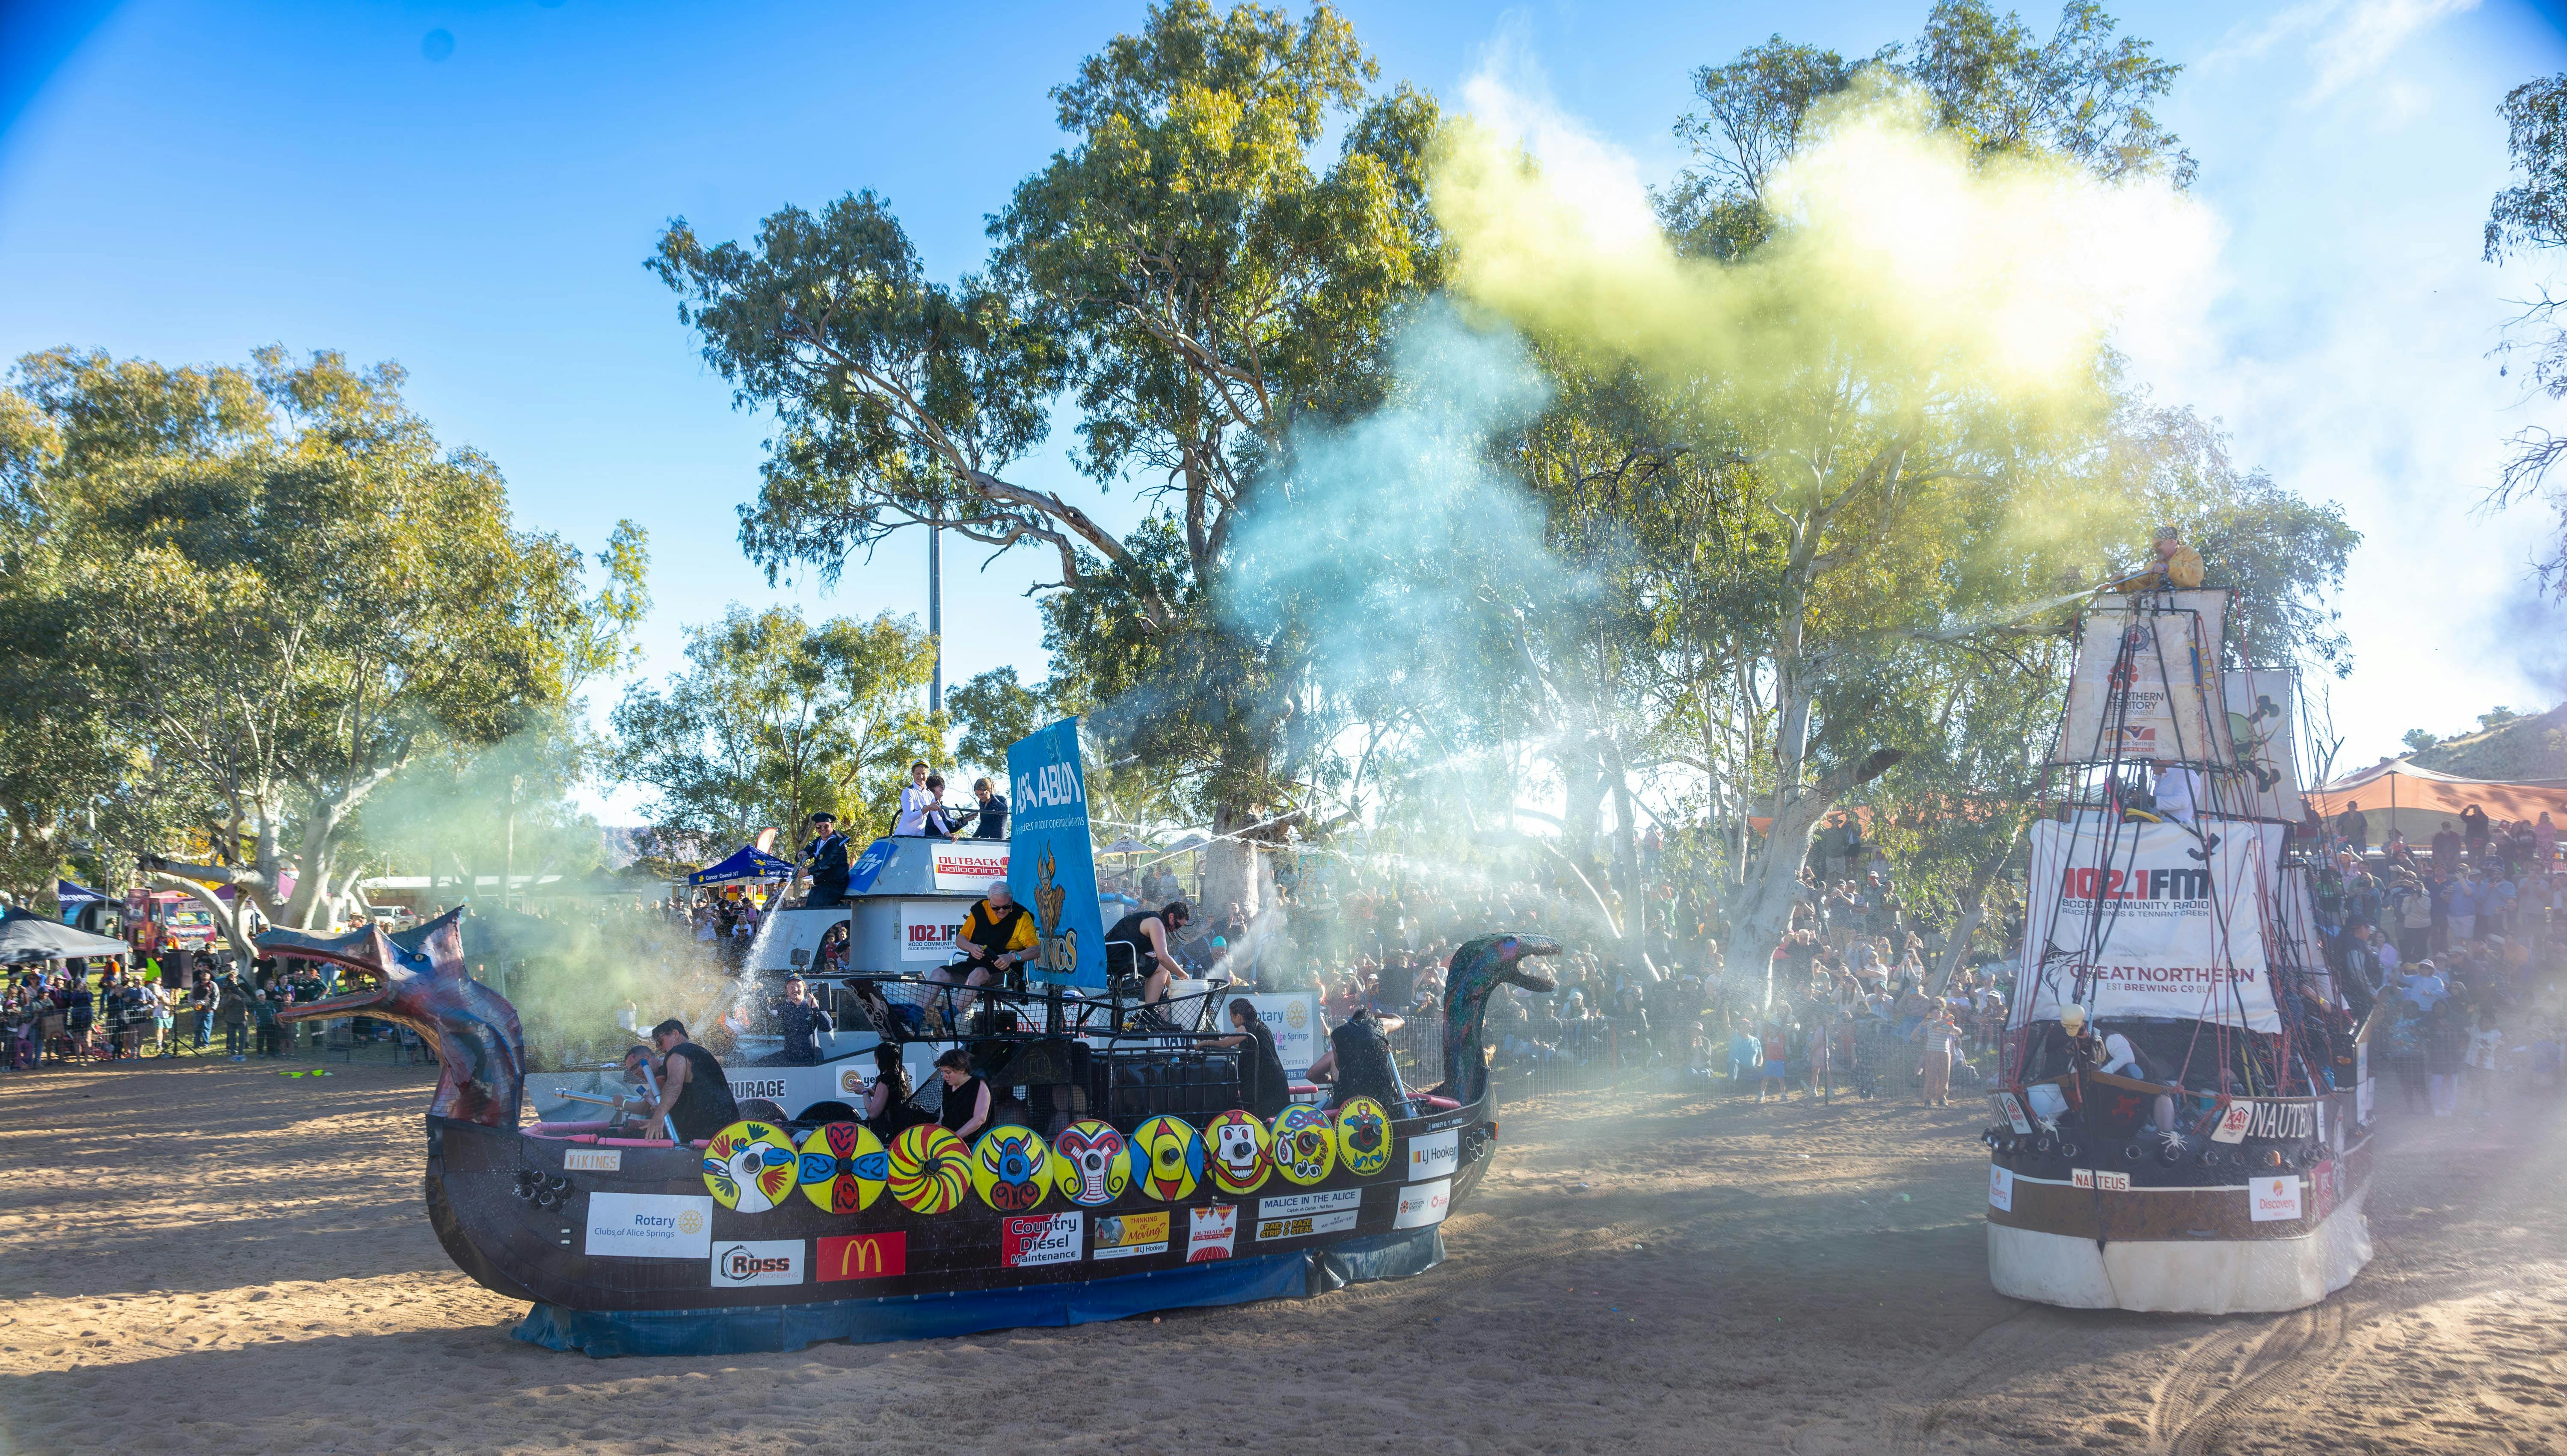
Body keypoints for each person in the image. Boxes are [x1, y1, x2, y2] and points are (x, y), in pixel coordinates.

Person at [639, 1018, 740, 1143]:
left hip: (706, 1134)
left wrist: (658, 1117)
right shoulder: (702, 1052)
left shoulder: (677, 1054)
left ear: (675, 1034)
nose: (658, 1048)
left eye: (660, 1042)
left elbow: (673, 1085)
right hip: (728, 1128)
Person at [1307, 1004, 1405, 1110]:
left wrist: (1331, 1079)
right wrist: (1379, 1014)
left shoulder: (1338, 1035)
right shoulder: (1380, 1025)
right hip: (1381, 1104)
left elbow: (1315, 1073)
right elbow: (1400, 1020)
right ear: (1372, 1021)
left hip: (1347, 1106)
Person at [949, 879, 1037, 995]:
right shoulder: (981, 908)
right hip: (974, 964)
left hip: (1005, 971)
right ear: (989, 901)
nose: (1001, 911)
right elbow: (960, 939)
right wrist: (971, 947)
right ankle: (921, 1012)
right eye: (996, 908)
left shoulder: (1022, 917)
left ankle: (949, 1013)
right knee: (939, 974)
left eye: (1006, 907)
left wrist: (1011, 958)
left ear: (1012, 900)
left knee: (978, 974)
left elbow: (1036, 950)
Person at [1105, 899, 1191, 1012]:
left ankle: (1151, 1011)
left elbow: (1163, 959)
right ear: (1171, 917)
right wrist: (1184, 977)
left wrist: (1173, 988)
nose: (1176, 930)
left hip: (1115, 954)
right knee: (1162, 969)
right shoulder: (1156, 923)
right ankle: (1149, 1014)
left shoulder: (1154, 919)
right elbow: (1163, 958)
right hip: (1116, 957)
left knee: (1162, 968)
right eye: (1178, 926)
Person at [1214, 997, 1292, 1119]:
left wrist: (1206, 1042)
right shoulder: (1259, 1024)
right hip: (1276, 1080)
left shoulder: (1245, 1028)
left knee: (1262, 1120)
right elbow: (1238, 1044)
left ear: (1238, 1016)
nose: (1230, 1019)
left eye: (1231, 1016)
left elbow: (1225, 1044)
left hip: (1266, 1084)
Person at [758, 976, 833, 1065]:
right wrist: (760, 995)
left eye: (799, 986)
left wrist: (816, 1008)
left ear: (805, 989)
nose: (795, 989)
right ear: (787, 991)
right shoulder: (784, 1007)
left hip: (812, 1058)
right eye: (791, 986)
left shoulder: (813, 1004)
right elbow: (769, 1014)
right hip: (791, 1057)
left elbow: (828, 1027)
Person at [2107, 524, 2206, 593]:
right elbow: (2140, 584)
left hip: (2189, 608)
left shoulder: (2189, 553)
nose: (2156, 549)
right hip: (2162, 612)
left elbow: (2195, 576)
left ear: (2172, 542)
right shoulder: (2154, 565)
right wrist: (2124, 581)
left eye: (2158, 544)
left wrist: (2168, 569)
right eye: (2154, 546)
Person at [1910, 1004, 1963, 1107]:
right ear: (1931, 1014)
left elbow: (1958, 1032)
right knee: (1931, 1076)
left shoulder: (1947, 1024)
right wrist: (1948, 1021)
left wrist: (1952, 1025)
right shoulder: (1931, 1023)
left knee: (1944, 1077)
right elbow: (1936, 1026)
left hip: (1945, 1052)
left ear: (1942, 1014)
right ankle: (1928, 1099)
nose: (1936, 1014)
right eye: (1934, 1013)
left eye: (1938, 1012)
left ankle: (1942, 1098)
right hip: (1932, 1052)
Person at [934, 1048, 991, 1140]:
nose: (944, 1076)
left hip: (974, 1143)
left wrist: (956, 1137)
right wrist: (940, 1123)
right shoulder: (947, 1085)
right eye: (943, 1072)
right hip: (950, 1137)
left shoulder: (979, 1084)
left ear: (962, 1070)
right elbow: (945, 1106)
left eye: (948, 1072)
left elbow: (980, 1119)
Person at [802, 811, 851, 907]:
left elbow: (828, 862)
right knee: (810, 906)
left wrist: (809, 871)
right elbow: (807, 850)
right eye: (819, 827)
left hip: (836, 885)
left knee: (820, 908)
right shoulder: (818, 841)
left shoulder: (838, 843)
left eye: (826, 826)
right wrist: (802, 853)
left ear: (832, 825)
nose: (823, 830)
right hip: (821, 885)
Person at [892, 761, 937, 837]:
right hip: (903, 837)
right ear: (913, 775)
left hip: (919, 838)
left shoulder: (930, 795)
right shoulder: (908, 792)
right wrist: (927, 808)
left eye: (923, 774)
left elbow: (937, 819)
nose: (921, 777)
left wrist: (948, 834)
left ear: (927, 774)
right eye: (918, 774)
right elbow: (909, 818)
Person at [2152, 758, 2201, 827]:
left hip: (2177, 829)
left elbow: (2182, 802)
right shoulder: (2161, 777)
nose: (2150, 765)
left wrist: (2153, 800)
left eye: (2151, 760)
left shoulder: (2184, 773)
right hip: (2160, 826)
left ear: (2166, 759)